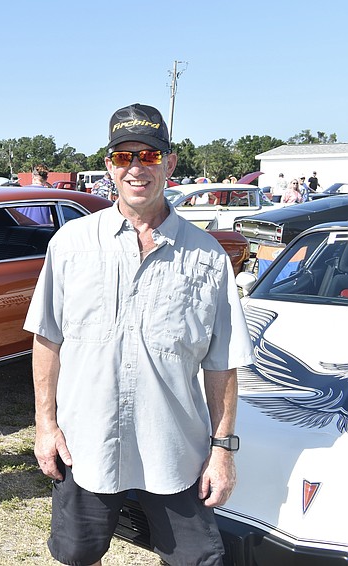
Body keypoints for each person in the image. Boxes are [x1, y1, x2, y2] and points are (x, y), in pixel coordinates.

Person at [24, 103, 254, 566]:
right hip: (87, 445)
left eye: (148, 156)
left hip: (174, 450)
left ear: (169, 165)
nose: (136, 168)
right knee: (75, 553)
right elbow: (47, 341)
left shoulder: (207, 258)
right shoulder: (70, 246)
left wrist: (222, 450)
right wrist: (45, 426)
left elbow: (222, 362)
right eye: (124, 156)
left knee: (200, 560)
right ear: (109, 165)